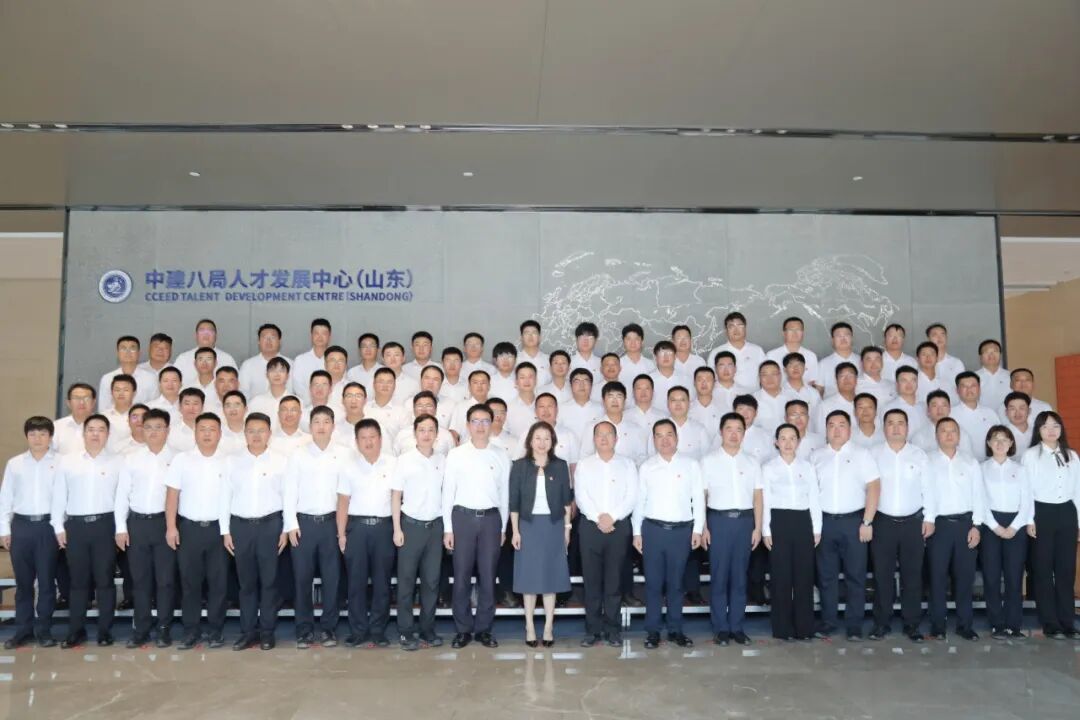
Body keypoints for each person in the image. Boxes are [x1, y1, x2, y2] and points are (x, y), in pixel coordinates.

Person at [442, 404, 511, 649]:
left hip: (491, 520)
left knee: (488, 576)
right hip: (462, 519)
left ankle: (484, 629)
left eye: (485, 421)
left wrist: (502, 528)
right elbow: (448, 492)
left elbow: (504, 495)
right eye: (475, 421)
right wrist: (448, 528)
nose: (480, 426)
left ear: (492, 424)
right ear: (468, 425)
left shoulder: (501, 455)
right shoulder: (456, 454)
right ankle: (463, 629)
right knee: (461, 575)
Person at [633, 419, 705, 649]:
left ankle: (675, 630)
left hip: (681, 532)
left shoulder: (691, 465)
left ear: (677, 437)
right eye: (659, 435)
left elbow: (698, 499)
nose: (664, 440)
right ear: (653, 440)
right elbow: (639, 501)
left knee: (676, 584)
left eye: (669, 435)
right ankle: (653, 631)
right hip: (653, 531)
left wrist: (698, 529)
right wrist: (636, 532)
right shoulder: (647, 467)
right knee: (653, 584)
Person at [51, 414, 122, 648]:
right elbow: (59, 496)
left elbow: (122, 499)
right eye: (91, 429)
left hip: (105, 525)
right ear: (83, 433)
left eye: (101, 429)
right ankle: (76, 630)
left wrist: (120, 528)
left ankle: (105, 631)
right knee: (78, 581)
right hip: (76, 527)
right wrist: (58, 526)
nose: (95, 434)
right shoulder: (67, 461)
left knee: (105, 580)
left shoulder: (118, 462)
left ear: (107, 434)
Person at [811, 410, 880, 641]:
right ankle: (828, 621)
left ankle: (854, 625)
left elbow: (874, 487)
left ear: (850, 430)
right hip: (825, 523)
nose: (837, 430)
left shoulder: (862, 454)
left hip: (854, 523)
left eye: (842, 425)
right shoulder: (816, 456)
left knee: (856, 576)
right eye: (832, 425)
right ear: (826, 430)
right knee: (826, 577)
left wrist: (867, 521)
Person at [221, 413, 287, 651]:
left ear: (270, 433)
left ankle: (267, 632)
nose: (256, 435)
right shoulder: (232, 461)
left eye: (261, 430)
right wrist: (225, 531)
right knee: (246, 583)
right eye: (251, 431)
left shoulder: (281, 461)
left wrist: (286, 528)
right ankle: (248, 632)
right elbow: (225, 496)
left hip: (271, 526)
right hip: (240, 527)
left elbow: (288, 496)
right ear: (245, 433)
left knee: (269, 582)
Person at [165, 412, 230, 650]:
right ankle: (190, 631)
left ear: (220, 434)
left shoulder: (228, 461)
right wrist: (171, 527)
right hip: (189, 529)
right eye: (202, 429)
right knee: (189, 583)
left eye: (212, 429)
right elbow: (172, 495)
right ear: (195, 432)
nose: (207, 434)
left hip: (218, 530)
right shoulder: (182, 460)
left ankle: (215, 631)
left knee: (218, 584)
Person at [283, 405, 345, 649]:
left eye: (326, 421)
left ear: (333, 426)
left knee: (332, 579)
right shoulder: (298, 455)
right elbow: (289, 491)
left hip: (331, 524)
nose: (321, 426)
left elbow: (346, 494)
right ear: (309, 426)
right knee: (302, 579)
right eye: (317, 421)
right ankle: (304, 630)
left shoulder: (344, 454)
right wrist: (291, 524)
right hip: (304, 525)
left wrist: (343, 528)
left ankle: (329, 628)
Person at [114, 409, 177, 648]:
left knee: (165, 580)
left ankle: (164, 628)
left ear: (167, 430)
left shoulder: (178, 459)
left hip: (165, 524)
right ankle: (140, 629)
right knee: (139, 581)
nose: (153, 432)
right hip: (137, 524)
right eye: (148, 427)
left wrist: (174, 527)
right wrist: (121, 528)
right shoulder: (131, 459)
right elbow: (122, 495)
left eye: (158, 427)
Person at [868, 409, 932, 643]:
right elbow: (867, 489)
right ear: (883, 427)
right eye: (891, 423)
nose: (896, 427)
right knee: (882, 575)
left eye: (900, 423)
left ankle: (911, 624)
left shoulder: (919, 455)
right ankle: (881, 623)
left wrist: (929, 518)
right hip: (882, 522)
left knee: (912, 576)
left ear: (907, 427)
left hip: (913, 523)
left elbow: (929, 488)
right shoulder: (873, 454)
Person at [701, 413, 763, 646]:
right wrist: (703, 527)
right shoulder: (708, 461)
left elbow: (758, 497)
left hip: (745, 522)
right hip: (718, 522)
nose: (734, 434)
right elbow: (702, 496)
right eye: (729, 428)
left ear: (744, 433)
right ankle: (720, 628)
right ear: (721, 432)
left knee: (739, 577)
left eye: (739, 429)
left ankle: (737, 626)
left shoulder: (752, 462)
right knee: (719, 576)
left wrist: (757, 528)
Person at [509, 422, 574, 647]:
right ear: (530, 441)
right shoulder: (519, 466)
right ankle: (529, 626)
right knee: (528, 579)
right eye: (538, 437)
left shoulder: (560, 466)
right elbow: (514, 502)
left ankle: (548, 627)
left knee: (550, 578)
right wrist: (515, 531)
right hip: (528, 526)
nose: (542, 442)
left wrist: (567, 528)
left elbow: (566, 501)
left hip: (553, 525)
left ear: (552, 442)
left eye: (547, 438)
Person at [574, 421, 638, 647]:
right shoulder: (584, 464)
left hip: (618, 527)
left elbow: (632, 496)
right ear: (594, 439)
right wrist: (598, 518)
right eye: (599, 434)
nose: (604, 438)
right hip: (590, 527)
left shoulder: (627, 464)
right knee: (591, 581)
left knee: (614, 581)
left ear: (616, 439)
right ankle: (592, 630)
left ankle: (613, 630)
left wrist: (612, 517)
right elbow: (581, 496)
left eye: (608, 434)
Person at [337, 418, 397, 648]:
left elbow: (398, 497)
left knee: (382, 582)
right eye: (363, 438)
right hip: (357, 529)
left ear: (380, 439)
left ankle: (378, 630)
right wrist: (341, 534)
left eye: (372, 437)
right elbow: (343, 502)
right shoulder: (349, 466)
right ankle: (358, 630)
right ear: (356, 441)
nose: (368, 441)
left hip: (384, 528)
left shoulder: (393, 464)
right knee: (356, 582)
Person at [1, 417, 60, 648]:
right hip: (21, 527)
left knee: (46, 582)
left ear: (50, 437)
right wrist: (4, 529)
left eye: (43, 434)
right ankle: (23, 630)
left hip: (48, 527)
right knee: (23, 583)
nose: (38, 438)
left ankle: (44, 630)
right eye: (33, 434)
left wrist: (61, 528)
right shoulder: (15, 463)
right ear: (26, 436)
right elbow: (5, 497)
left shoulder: (61, 462)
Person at [1022, 411, 1080, 639]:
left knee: (1066, 569)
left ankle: (1068, 621)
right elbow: (1026, 490)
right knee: (1043, 569)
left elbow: (1078, 490)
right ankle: (1050, 622)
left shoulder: (1072, 455)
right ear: (1038, 430)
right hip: (1041, 512)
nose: (1051, 430)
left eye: (1055, 425)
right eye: (1045, 426)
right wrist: (1029, 519)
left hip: (1067, 512)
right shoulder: (1031, 455)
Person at [391, 414, 447, 651]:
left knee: (431, 582)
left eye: (431, 430)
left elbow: (447, 494)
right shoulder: (404, 460)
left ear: (437, 434)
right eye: (422, 430)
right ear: (415, 433)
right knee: (406, 582)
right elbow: (396, 496)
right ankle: (405, 631)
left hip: (435, 527)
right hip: (410, 526)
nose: (426, 434)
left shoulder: (443, 460)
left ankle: (427, 629)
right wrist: (397, 528)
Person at [924, 417, 983, 640]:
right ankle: (938, 626)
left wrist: (976, 526)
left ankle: (964, 625)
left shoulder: (970, 462)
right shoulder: (927, 461)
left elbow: (979, 495)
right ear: (936, 435)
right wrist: (928, 520)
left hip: (965, 525)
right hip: (938, 526)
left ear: (959, 436)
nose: (948, 435)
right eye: (943, 431)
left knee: (964, 579)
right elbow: (925, 493)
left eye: (953, 431)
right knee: (937, 577)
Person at [761, 423, 821, 641]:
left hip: (803, 522)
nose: (788, 443)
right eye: (783, 438)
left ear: (799, 441)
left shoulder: (807, 467)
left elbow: (814, 498)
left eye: (792, 438)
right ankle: (782, 628)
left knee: (804, 576)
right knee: (781, 577)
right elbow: (765, 501)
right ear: (776, 442)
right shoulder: (768, 468)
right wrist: (766, 529)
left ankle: (804, 628)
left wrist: (817, 529)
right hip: (778, 522)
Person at [980, 425, 1030, 640]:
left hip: (1016, 525)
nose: (1000, 443)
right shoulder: (981, 468)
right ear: (989, 443)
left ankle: (1014, 624)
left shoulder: (1020, 469)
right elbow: (979, 499)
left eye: (1004, 439)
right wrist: (995, 526)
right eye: (995, 439)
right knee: (991, 576)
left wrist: (1014, 527)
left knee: (1014, 576)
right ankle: (997, 624)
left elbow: (1027, 501)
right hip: (990, 524)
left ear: (1011, 444)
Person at [707, 312, 765, 389]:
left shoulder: (757, 350)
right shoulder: (716, 352)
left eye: (740, 325)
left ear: (745, 328)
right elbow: (711, 378)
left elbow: (765, 375)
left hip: (754, 395)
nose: (736, 329)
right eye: (731, 326)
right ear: (726, 330)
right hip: (725, 396)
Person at [99, 335, 158, 409]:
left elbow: (155, 406)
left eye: (132, 349)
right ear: (118, 353)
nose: (128, 352)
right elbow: (103, 408)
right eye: (123, 349)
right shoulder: (107, 378)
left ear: (139, 353)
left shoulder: (151, 378)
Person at [173, 318, 237, 383]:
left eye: (210, 331)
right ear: (196, 335)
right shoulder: (183, 359)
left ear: (216, 336)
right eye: (202, 330)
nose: (206, 334)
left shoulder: (227, 359)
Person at [239, 323, 292, 399]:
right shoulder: (248, 365)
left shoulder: (291, 364)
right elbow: (243, 392)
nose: (268, 341)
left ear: (279, 341)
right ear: (258, 341)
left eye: (272, 337)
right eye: (265, 337)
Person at [766, 316, 820, 385]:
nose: (795, 333)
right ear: (784, 333)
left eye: (798, 330)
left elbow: (813, 382)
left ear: (803, 333)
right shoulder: (771, 355)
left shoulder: (811, 356)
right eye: (791, 330)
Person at [953, 371, 999, 451]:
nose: (969, 390)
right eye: (964, 386)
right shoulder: (950, 414)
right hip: (962, 458)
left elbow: (999, 437)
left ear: (979, 389)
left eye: (973, 386)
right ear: (957, 390)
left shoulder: (990, 413)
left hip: (988, 458)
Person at [291, 319, 333, 406]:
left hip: (331, 406)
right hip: (306, 407)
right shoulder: (300, 360)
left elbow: (338, 383)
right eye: (316, 333)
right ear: (311, 335)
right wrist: (313, 402)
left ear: (329, 336)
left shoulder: (335, 360)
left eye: (324, 333)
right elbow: (297, 386)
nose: (320, 337)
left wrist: (326, 402)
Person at [817, 322, 862, 396]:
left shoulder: (862, 361)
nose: (843, 339)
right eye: (838, 336)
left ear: (852, 338)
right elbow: (819, 391)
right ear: (832, 340)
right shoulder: (823, 364)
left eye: (846, 335)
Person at [53, 383, 97, 456]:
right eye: (76, 398)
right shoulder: (56, 426)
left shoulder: (104, 426)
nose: (81, 402)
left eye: (86, 398)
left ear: (93, 402)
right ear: (68, 403)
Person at [976, 339, 1011, 414]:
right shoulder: (974, 377)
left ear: (1000, 355)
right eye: (987, 352)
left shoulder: (1010, 376)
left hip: (1007, 417)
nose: (991, 354)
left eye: (995, 351)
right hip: (983, 417)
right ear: (980, 357)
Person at [926, 323, 965, 387]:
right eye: (935, 335)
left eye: (942, 334)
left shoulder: (956, 363)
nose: (939, 338)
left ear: (946, 338)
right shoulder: (921, 364)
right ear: (928, 339)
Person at [618, 323, 656, 387]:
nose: (633, 343)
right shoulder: (617, 365)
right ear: (623, 341)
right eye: (629, 339)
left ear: (642, 341)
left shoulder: (651, 365)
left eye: (636, 339)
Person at [516, 320, 551, 386]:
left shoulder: (549, 360)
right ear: (521, 338)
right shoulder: (515, 360)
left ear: (540, 337)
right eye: (527, 333)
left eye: (534, 333)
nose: (530, 336)